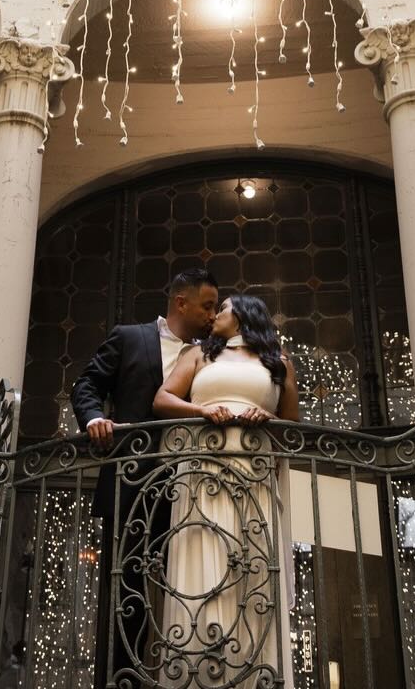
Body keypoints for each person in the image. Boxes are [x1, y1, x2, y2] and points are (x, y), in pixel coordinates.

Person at [71, 266, 220, 689]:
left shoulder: (212, 354)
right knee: (126, 597)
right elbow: (86, 385)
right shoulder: (129, 337)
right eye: (207, 306)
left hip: (196, 489)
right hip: (132, 486)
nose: (213, 315)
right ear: (181, 302)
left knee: (193, 591)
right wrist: (95, 418)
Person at [154, 294, 300, 688]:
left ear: (243, 315)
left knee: (252, 572)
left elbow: (293, 428)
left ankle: (254, 676)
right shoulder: (199, 354)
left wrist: (268, 417)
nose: (214, 315)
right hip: (202, 476)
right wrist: (201, 411)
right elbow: (162, 399)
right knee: (204, 570)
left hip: (254, 477)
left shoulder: (278, 362)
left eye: (222, 308)